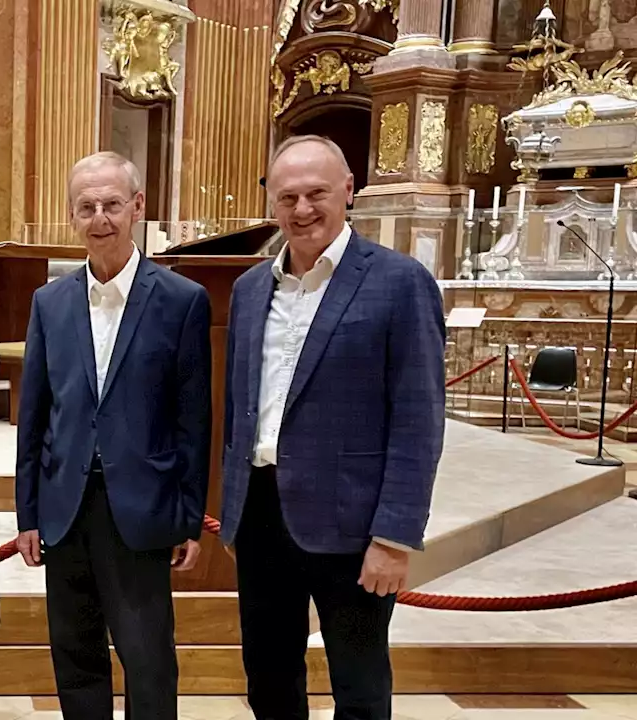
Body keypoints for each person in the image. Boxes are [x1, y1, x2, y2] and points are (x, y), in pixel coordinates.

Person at [219, 135, 445, 720]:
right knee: (268, 675)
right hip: (263, 514)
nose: (301, 210)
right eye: (287, 196)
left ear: (349, 190)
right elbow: (241, 407)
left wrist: (394, 537)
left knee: (359, 680)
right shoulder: (249, 290)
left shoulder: (398, 282)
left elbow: (418, 421)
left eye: (316, 193)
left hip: (353, 523)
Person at [14, 151, 211, 719]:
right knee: (75, 658)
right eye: (86, 207)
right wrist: (28, 513)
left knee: (148, 661)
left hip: (141, 509)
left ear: (138, 207)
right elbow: (36, 414)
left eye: (112, 205)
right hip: (65, 507)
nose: (100, 218)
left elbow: (193, 421)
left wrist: (190, 515)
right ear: (73, 216)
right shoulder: (49, 302)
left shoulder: (180, 301)